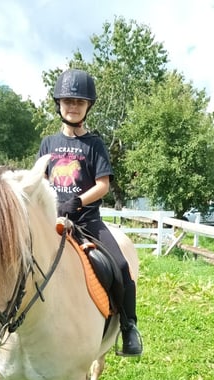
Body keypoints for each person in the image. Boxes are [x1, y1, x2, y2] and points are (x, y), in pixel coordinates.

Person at [37, 68, 143, 356]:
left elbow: (103, 185)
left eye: (79, 102)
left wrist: (77, 202)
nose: (73, 106)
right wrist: (51, 202)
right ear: (59, 104)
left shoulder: (94, 144)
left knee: (121, 266)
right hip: (53, 219)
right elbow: (41, 179)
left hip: (87, 221)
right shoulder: (48, 144)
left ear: (88, 107)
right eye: (68, 101)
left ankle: (129, 327)